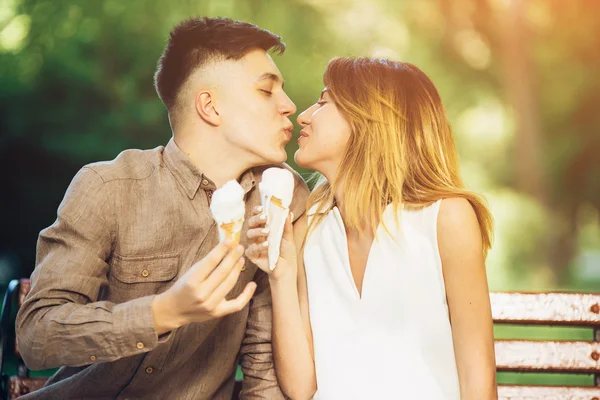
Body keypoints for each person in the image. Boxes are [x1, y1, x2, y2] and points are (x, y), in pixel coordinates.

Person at [16, 17, 308, 399]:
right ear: (210, 107)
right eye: (267, 91)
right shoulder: (109, 187)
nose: (289, 106)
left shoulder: (281, 197)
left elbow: (261, 365)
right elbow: (36, 335)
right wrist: (164, 312)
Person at [246, 57, 497, 399]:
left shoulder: (447, 218)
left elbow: (477, 378)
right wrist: (281, 277)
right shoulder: (308, 227)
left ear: (369, 121)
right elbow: (302, 387)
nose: (303, 115)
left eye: (323, 102)